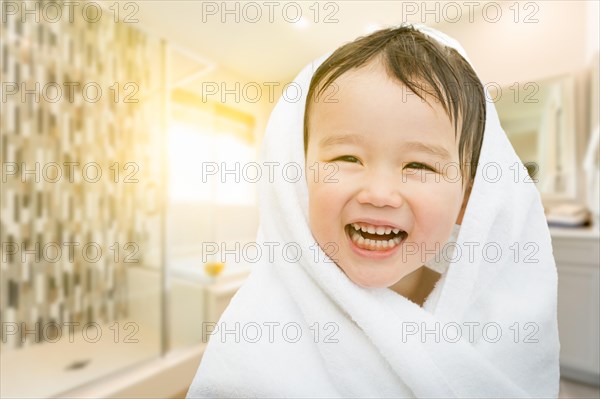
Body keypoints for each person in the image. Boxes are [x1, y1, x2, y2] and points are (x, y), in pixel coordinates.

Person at [187, 24, 560, 398]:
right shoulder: (256, 333)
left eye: (420, 166)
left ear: (468, 199)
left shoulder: (497, 319)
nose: (380, 194)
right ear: (300, 180)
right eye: (347, 157)